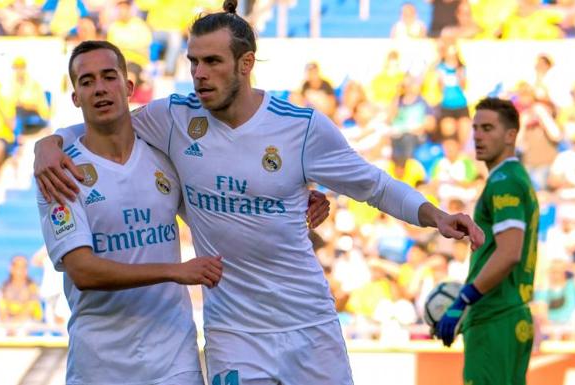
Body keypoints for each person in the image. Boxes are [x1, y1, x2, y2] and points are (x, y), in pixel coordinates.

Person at [35, 2, 484, 384]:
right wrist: (46, 145)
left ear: (245, 64)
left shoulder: (300, 128)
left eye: (212, 62)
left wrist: (435, 216)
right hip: (233, 333)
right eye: (193, 62)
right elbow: (104, 122)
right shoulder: (173, 119)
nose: (199, 75)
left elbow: (373, 185)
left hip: (308, 323)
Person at [36, 40, 225, 385]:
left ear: (128, 86)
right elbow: (83, 271)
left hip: (174, 360)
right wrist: (175, 271)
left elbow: (220, 203)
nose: (100, 89)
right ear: (75, 96)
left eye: (109, 77)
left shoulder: (164, 154)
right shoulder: (59, 170)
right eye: (87, 81)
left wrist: (293, 196)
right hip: (99, 366)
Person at [436, 97, 539, 385]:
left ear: (511, 135)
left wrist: (463, 299)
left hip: (495, 315)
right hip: (511, 313)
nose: (478, 136)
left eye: (488, 128)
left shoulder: (504, 181)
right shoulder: (514, 178)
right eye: (476, 128)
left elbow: (509, 253)